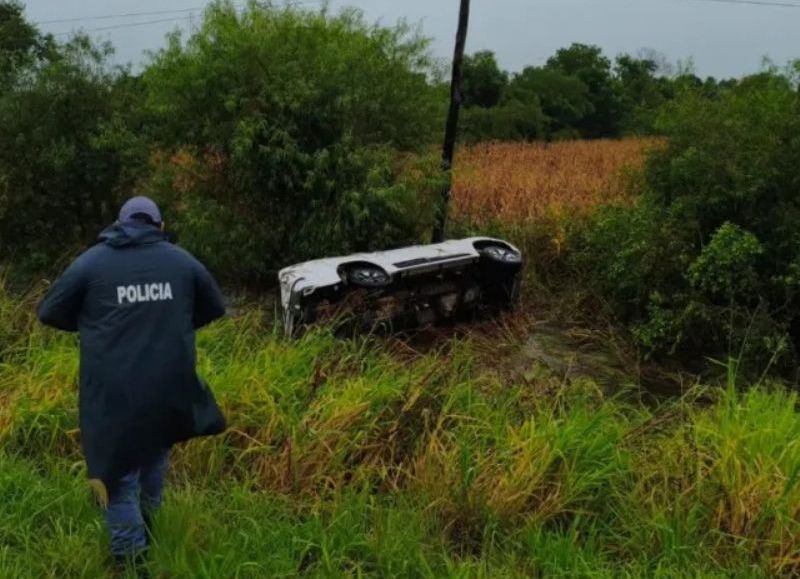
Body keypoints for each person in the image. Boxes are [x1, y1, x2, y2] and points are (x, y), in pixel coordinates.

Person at [37, 196, 227, 572]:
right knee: (154, 456)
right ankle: (151, 539)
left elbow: (49, 311)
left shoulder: (93, 262)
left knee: (117, 478)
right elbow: (215, 307)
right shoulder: (182, 261)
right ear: (158, 226)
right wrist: (171, 320)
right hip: (169, 390)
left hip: (114, 394)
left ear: (120, 224)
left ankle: (131, 561)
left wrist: (99, 324)